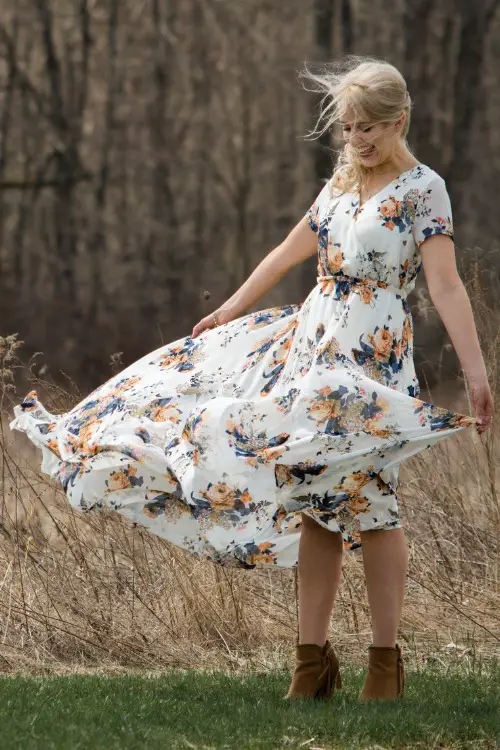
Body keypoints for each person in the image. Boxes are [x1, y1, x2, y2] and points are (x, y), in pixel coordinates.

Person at [9, 55, 493, 702]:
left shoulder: (424, 190)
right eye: (347, 129)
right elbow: (287, 251)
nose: (356, 141)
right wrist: (230, 308)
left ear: (399, 120)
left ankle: (385, 665)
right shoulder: (341, 183)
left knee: (375, 505)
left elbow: (445, 283)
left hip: (372, 356)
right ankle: (310, 664)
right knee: (315, 498)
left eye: (368, 129)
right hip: (315, 345)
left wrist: (476, 371)